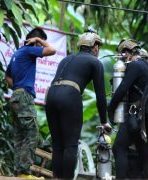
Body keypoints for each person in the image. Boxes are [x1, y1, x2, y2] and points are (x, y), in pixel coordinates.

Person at [45, 31, 111, 179]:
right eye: (98, 46)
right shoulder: (95, 62)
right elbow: (100, 95)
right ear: (94, 46)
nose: (98, 49)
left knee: (57, 145)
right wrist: (104, 121)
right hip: (70, 96)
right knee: (70, 145)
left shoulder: (65, 59)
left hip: (51, 95)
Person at [5, 27, 56, 178]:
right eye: (40, 44)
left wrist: (17, 88)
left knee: (20, 135)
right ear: (35, 42)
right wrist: (38, 41)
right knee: (32, 134)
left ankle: (19, 172)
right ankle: (25, 172)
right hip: (24, 97)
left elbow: (7, 78)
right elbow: (52, 50)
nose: (41, 47)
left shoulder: (16, 53)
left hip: (15, 96)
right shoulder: (29, 50)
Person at [108, 39, 148, 178]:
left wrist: (111, 108)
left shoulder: (135, 66)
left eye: (122, 54)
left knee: (119, 147)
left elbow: (122, 89)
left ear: (127, 52)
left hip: (134, 114)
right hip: (147, 117)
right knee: (144, 150)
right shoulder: (147, 67)